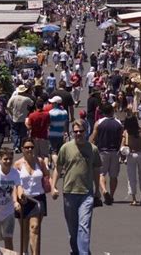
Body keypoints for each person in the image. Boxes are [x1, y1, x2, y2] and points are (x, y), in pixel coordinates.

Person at [51, 120, 102, 255]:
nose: (78, 134)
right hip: (69, 192)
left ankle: (83, 253)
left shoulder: (93, 149)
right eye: (75, 131)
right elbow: (58, 168)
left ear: (86, 131)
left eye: (81, 131)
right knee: (73, 229)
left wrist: (98, 190)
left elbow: (97, 170)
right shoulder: (65, 148)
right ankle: (76, 250)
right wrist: (53, 186)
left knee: (84, 226)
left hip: (86, 193)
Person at [14, 138, 49, 255]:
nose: (29, 149)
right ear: (22, 149)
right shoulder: (18, 164)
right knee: (24, 230)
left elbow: (47, 176)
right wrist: (16, 200)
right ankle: (24, 252)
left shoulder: (40, 162)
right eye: (27, 147)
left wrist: (52, 188)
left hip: (38, 199)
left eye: (31, 147)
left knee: (34, 227)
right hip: (24, 199)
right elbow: (15, 184)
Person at [89, 103, 123, 205]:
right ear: (112, 111)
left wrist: (89, 147)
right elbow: (122, 137)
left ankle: (104, 190)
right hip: (115, 151)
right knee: (113, 176)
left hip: (102, 151)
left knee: (101, 173)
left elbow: (93, 138)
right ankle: (111, 196)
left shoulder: (99, 123)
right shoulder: (118, 123)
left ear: (103, 113)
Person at [7, 85, 34, 153]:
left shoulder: (13, 98)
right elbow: (32, 104)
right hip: (23, 118)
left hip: (15, 118)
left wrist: (11, 113)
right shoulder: (26, 99)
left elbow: (8, 106)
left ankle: (16, 146)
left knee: (15, 132)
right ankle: (21, 145)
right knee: (23, 133)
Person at [25, 99, 51, 167]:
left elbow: (29, 126)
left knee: (35, 154)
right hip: (44, 136)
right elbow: (48, 124)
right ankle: (46, 167)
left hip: (34, 136)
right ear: (43, 106)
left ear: (36, 106)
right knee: (45, 155)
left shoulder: (32, 115)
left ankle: (37, 167)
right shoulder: (47, 114)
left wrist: (26, 124)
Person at [48, 96, 68, 168]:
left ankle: (57, 166)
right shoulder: (65, 112)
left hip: (52, 134)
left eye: (53, 103)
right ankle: (59, 165)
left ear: (56, 103)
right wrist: (65, 132)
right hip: (61, 134)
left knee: (53, 151)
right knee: (59, 151)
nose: (51, 104)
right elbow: (65, 124)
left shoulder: (51, 113)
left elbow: (48, 124)